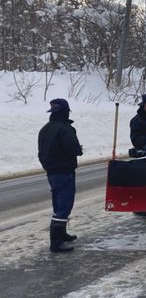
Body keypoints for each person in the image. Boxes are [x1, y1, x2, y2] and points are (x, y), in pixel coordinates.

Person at [38, 98, 83, 253]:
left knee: (58, 204)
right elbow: (73, 148)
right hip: (65, 170)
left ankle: (62, 234)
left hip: (52, 172)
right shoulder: (65, 129)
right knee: (64, 205)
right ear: (65, 111)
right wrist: (79, 149)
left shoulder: (45, 129)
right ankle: (56, 243)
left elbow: (41, 152)